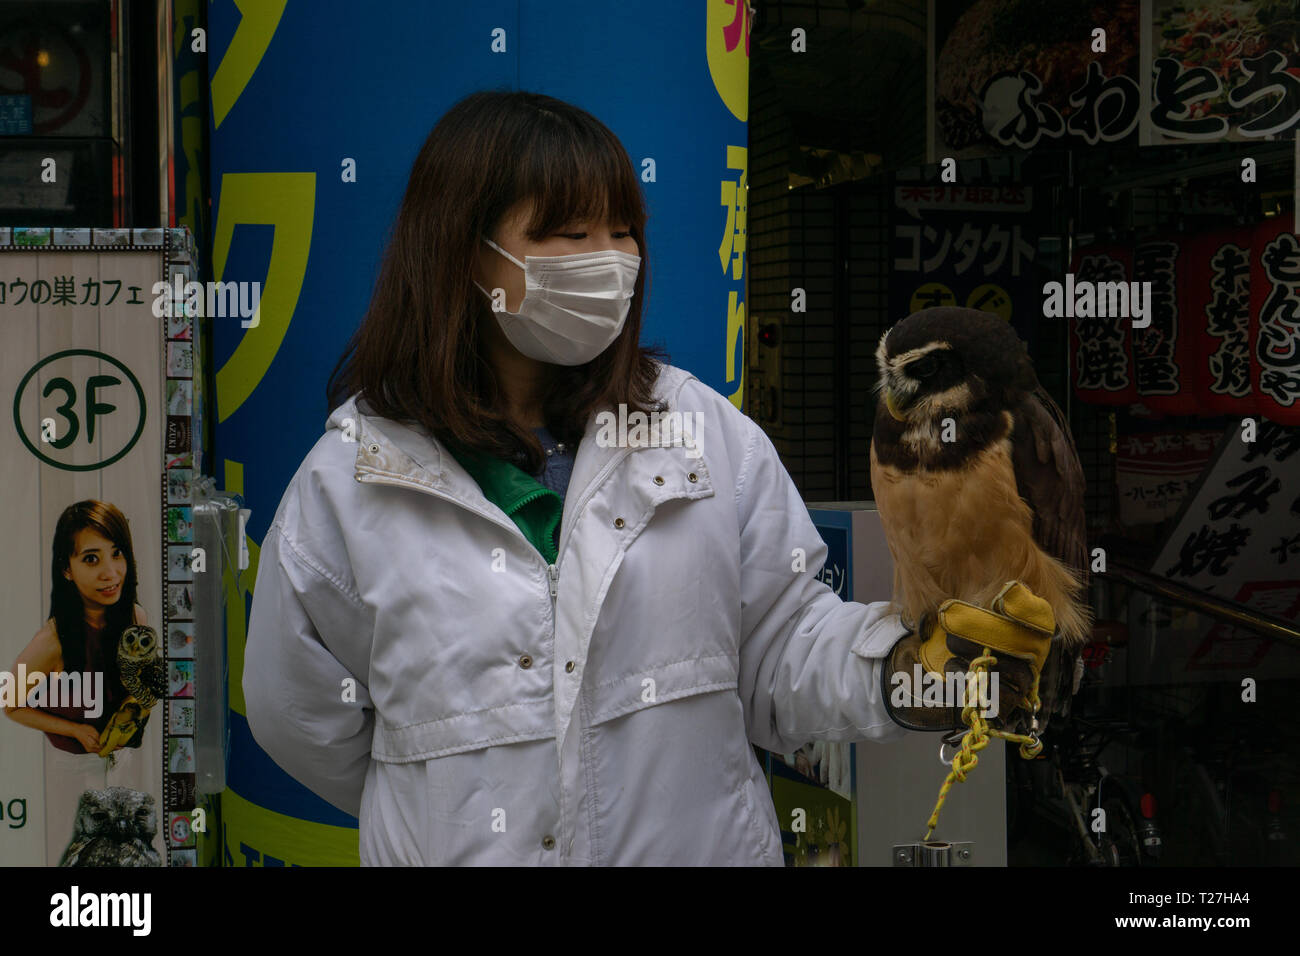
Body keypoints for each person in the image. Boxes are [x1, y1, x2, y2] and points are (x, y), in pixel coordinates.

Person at [242, 90, 1057, 865]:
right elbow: (301, 717)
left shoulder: (701, 432)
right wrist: (438, 809)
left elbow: (780, 648)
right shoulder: (353, 481)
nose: (609, 260)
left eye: (624, 230)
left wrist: (901, 672)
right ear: (464, 253)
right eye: (568, 233)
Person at [3, 500, 152, 861]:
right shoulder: (53, 641)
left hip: (127, 773)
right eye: (91, 558)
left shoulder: (135, 618)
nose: (110, 572)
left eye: (117, 554)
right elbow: (9, 702)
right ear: (66, 570)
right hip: (71, 779)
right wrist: (73, 730)